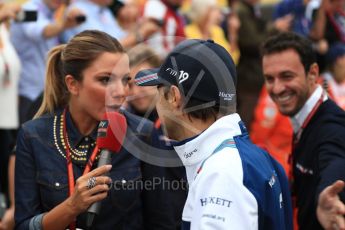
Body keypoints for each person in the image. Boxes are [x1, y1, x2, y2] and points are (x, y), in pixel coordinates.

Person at [15, 30, 171, 230]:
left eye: (125, 80)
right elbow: (23, 225)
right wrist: (71, 206)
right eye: (106, 80)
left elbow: (163, 222)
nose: (122, 92)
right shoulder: (34, 136)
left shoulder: (143, 133)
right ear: (73, 84)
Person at [135, 39, 292, 229]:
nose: (157, 105)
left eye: (159, 93)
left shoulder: (221, 173)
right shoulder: (252, 157)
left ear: (174, 97)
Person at [261, 32, 345, 230]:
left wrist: (328, 193)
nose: (277, 88)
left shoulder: (332, 128)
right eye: (269, 79)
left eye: (287, 76)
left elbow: (335, 160)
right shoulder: (304, 117)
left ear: (313, 73)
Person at [10, 0, 83, 124]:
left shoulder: (54, 13)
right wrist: (64, 23)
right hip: (28, 93)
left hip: (46, 91)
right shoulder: (27, 10)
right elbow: (44, 31)